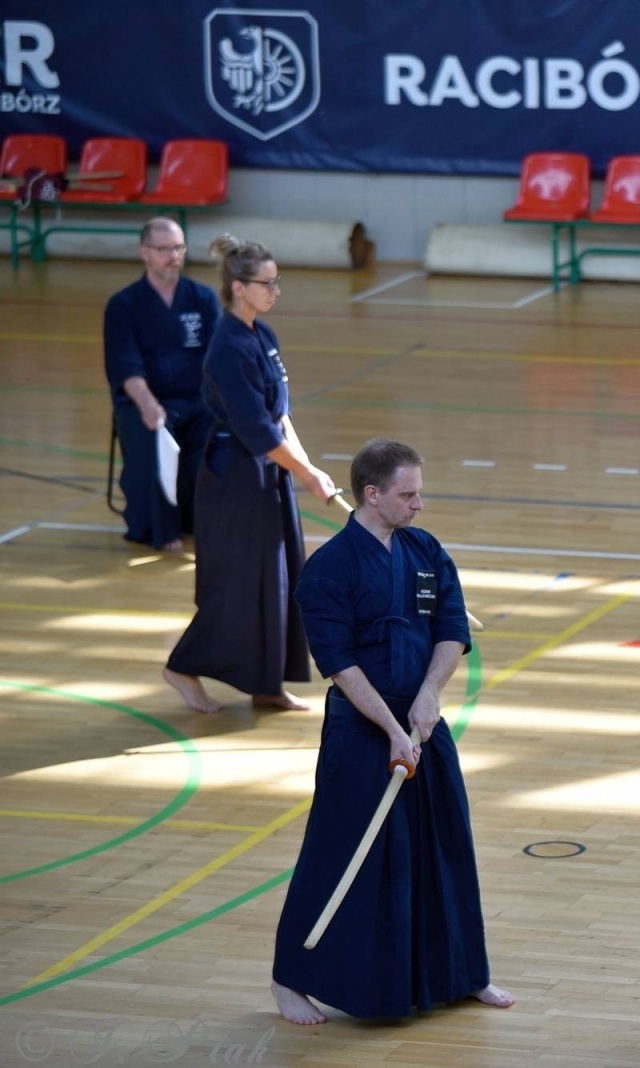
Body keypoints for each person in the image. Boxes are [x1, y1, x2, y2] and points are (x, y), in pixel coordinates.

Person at [271, 438, 514, 1024]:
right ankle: (290, 979)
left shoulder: (425, 549)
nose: (419, 504)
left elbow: (452, 627)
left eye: (419, 492)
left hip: (423, 722)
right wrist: (390, 728)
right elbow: (339, 663)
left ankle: (461, 974)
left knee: (444, 844)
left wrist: (429, 698)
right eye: (408, 495)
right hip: (363, 729)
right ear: (372, 495)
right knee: (344, 849)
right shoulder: (327, 570)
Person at [162, 234, 337, 715]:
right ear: (239, 287)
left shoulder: (264, 335)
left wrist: (308, 467)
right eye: (267, 283)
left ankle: (266, 686)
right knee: (239, 584)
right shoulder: (227, 348)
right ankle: (182, 666)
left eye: (277, 281)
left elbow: (280, 416)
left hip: (269, 474)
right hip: (235, 480)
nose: (275, 290)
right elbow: (257, 430)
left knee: (278, 580)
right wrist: (305, 474)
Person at [103, 218, 221, 551]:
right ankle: (161, 531)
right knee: (153, 433)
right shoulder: (123, 306)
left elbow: (218, 359)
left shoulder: (202, 299)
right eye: (164, 249)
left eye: (179, 247)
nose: (173, 255)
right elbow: (126, 367)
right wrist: (147, 404)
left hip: (198, 401)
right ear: (145, 253)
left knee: (222, 436)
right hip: (147, 402)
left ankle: (206, 522)